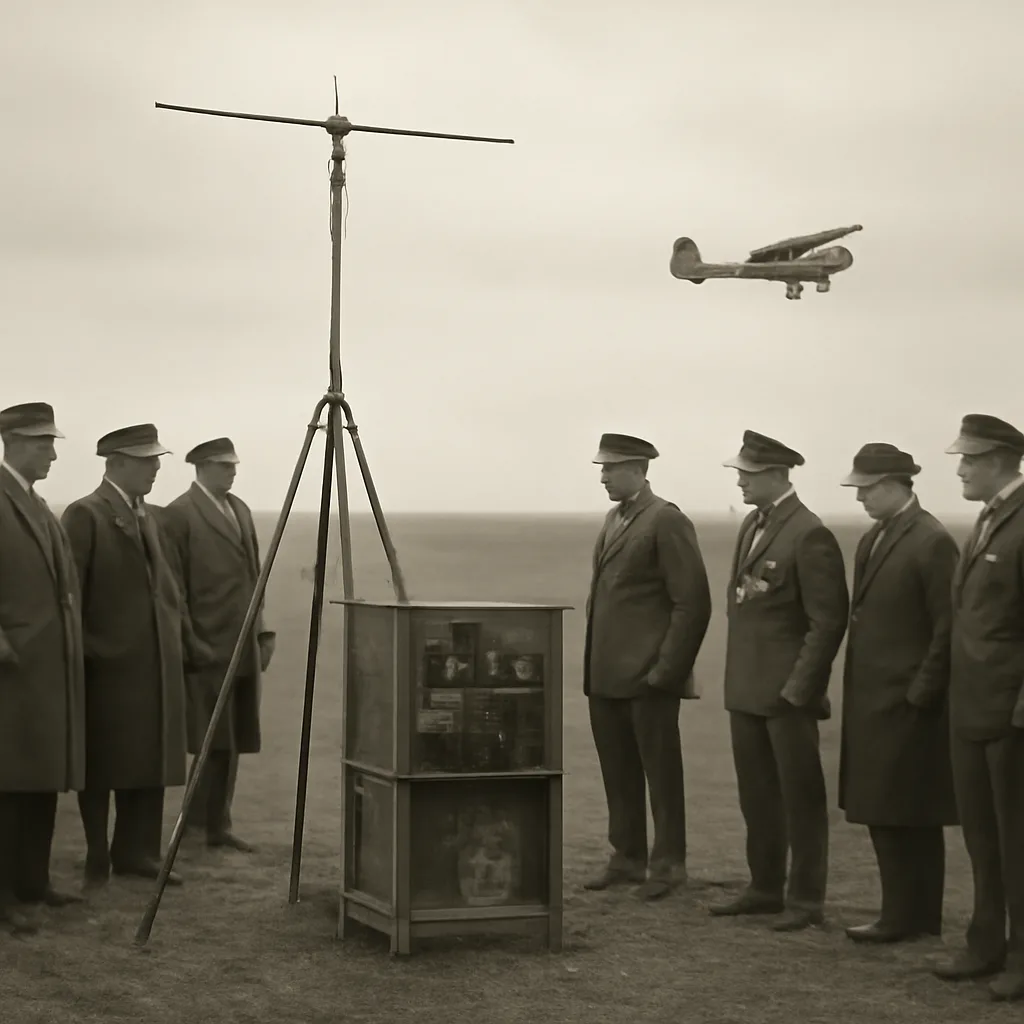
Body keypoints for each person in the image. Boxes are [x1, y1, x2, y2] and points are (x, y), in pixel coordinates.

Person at [710, 430, 848, 932]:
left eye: (747, 474)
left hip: (787, 696)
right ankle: (765, 887)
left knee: (800, 800)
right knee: (758, 797)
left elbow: (827, 621)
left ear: (775, 474)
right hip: (747, 691)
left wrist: (799, 690)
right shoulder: (753, 523)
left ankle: (806, 900)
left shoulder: (809, 533)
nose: (740, 482)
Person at [837, 443, 958, 943]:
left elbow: (947, 626)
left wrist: (922, 693)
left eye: (866, 489)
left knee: (911, 811)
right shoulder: (875, 537)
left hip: (908, 703)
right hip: (875, 700)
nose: (860, 497)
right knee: (886, 809)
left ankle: (912, 916)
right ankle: (906, 914)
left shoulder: (931, 541)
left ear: (893, 485)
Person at [61, 423, 191, 888]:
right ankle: (98, 855)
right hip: (107, 667)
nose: (155, 468)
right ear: (115, 463)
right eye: (145, 461)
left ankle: (138, 853)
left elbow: (166, 588)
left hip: (154, 665)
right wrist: (89, 651)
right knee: (102, 764)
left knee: (150, 759)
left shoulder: (150, 517)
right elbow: (71, 592)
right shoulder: (86, 514)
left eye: (156, 460)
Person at [583, 432, 711, 900]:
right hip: (606, 678)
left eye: (611, 468)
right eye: (602, 468)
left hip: (649, 680)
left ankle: (669, 865)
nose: (603, 477)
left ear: (639, 470)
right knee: (618, 773)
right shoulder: (614, 518)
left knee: (661, 776)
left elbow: (692, 603)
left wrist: (666, 673)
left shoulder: (666, 520)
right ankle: (627, 857)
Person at [934, 414, 1024, 1002]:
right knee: (983, 839)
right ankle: (986, 943)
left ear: (996, 460)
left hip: (1010, 714)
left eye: (968, 460)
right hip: (971, 708)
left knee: (1018, 841)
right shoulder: (989, 518)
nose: (961, 470)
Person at [159, 437, 275, 852]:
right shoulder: (179, 514)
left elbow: (253, 576)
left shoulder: (239, 509)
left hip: (241, 644)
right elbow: (174, 586)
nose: (233, 472)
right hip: (206, 647)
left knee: (233, 737)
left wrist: (262, 632)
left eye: (234, 465)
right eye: (225, 466)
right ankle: (195, 826)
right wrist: (190, 641)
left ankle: (217, 825)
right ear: (203, 466)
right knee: (211, 738)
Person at [0, 403, 86, 934]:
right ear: (10, 442)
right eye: (41, 443)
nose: (52, 454)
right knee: (7, 782)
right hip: (11, 669)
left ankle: (33, 880)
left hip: (46, 667)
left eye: (52, 443)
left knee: (39, 777)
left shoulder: (35, 502)